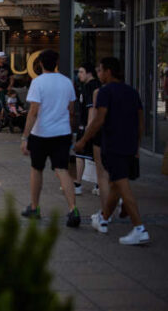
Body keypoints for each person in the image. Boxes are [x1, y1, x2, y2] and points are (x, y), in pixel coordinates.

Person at [75, 57, 149, 245]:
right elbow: (141, 121)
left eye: (100, 70)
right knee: (116, 186)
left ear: (108, 71)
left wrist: (83, 140)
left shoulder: (105, 92)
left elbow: (99, 120)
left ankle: (139, 228)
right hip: (129, 145)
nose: (99, 74)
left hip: (114, 146)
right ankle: (103, 218)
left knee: (122, 187)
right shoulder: (132, 92)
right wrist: (137, 145)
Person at [20, 49, 80, 228]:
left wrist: (25, 136)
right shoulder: (67, 82)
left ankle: (35, 207)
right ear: (56, 63)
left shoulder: (38, 82)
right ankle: (73, 209)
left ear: (39, 64)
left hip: (41, 133)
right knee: (62, 170)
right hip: (62, 133)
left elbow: (33, 111)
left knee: (36, 169)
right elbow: (71, 109)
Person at [73, 63, 102, 196]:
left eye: (82, 72)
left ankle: (78, 184)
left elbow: (92, 108)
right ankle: (98, 184)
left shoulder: (90, 86)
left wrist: (88, 128)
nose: (79, 75)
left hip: (87, 126)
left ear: (89, 73)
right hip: (90, 125)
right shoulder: (92, 86)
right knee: (94, 156)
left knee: (80, 154)